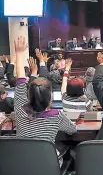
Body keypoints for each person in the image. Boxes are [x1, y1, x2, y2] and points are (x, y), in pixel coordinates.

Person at [13, 36, 77, 165]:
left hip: (22, 164)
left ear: (29, 95)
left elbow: (20, 81)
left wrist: (18, 54)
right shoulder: (56, 116)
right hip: (48, 166)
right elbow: (72, 130)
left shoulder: (20, 109)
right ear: (50, 98)